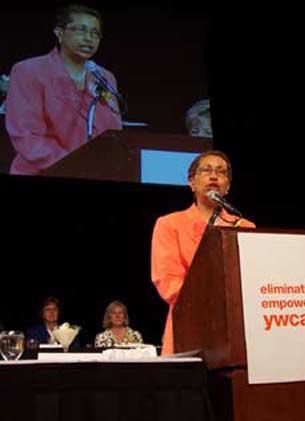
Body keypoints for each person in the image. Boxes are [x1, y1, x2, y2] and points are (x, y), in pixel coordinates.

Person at [151, 150, 255, 355]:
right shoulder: (169, 224)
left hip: (236, 328)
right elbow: (167, 279)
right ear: (192, 183)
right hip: (189, 325)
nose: (214, 176)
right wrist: (212, 304)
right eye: (206, 170)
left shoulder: (245, 226)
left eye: (221, 172)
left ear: (228, 187)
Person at [5, 3, 122, 175]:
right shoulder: (29, 71)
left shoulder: (104, 77)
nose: (89, 38)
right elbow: (27, 136)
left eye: (95, 33)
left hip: (94, 171)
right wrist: (74, 164)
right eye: (81, 30)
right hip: (41, 171)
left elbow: (114, 133)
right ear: (59, 33)